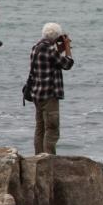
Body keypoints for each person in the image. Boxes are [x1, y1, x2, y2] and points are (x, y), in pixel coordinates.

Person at [27, 22, 74, 155]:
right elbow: (67, 64)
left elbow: (50, 59)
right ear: (56, 36)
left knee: (40, 129)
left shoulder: (36, 47)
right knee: (52, 129)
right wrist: (67, 47)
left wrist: (59, 49)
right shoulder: (49, 50)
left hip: (37, 94)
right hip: (49, 95)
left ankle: (38, 157)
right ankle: (49, 160)